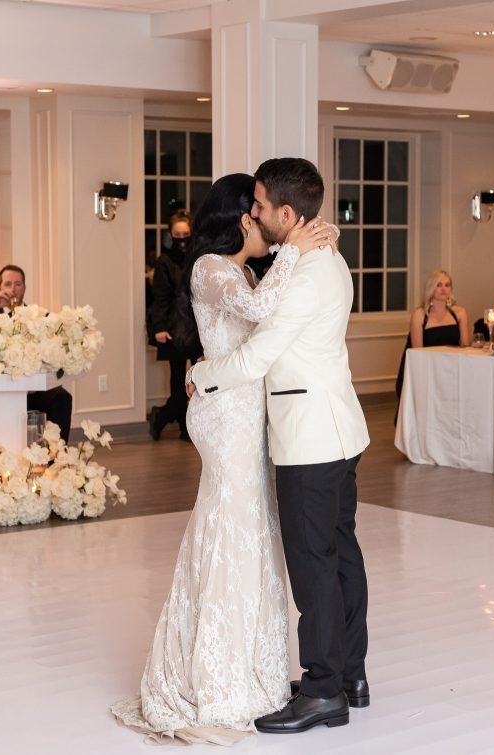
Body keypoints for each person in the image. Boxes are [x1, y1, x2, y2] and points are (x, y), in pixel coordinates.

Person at [110, 173, 333, 744]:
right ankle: (218, 678)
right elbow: (260, 307)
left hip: (242, 408)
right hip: (225, 415)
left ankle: (252, 672)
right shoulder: (212, 269)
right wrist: (295, 253)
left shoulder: (242, 269)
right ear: (241, 219)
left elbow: (267, 315)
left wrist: (296, 249)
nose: (266, 225)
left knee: (252, 532)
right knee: (232, 530)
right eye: (258, 215)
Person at [188, 158, 371, 735]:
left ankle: (322, 691)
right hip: (340, 428)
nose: (254, 214)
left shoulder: (304, 272)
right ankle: (349, 674)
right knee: (340, 553)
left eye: (262, 206)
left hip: (309, 435)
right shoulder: (327, 256)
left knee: (314, 563)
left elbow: (257, 357)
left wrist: (204, 374)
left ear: (288, 214)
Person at [0, 265, 73, 432]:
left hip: (31, 389)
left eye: (18, 284)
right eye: (7, 284)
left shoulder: (38, 315)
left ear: (25, 287)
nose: (13, 289)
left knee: (61, 397)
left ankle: (55, 455)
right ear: (0, 287)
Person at [147, 209, 198, 441]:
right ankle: (170, 418)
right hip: (172, 329)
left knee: (196, 379)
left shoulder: (197, 258)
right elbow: (160, 297)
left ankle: (175, 419)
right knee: (178, 383)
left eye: (185, 233)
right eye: (177, 234)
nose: (181, 238)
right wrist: (158, 328)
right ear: (171, 234)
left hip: (197, 327)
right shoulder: (164, 262)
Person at [394, 269, 469, 405]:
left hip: (451, 370)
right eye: (439, 285)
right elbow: (417, 353)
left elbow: (465, 347)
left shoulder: (459, 313)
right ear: (431, 288)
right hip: (426, 371)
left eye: (447, 285)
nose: (443, 289)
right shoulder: (420, 315)